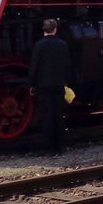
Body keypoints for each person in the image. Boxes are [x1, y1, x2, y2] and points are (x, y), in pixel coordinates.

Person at [27, 18, 72, 155]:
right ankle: (61, 147)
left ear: (44, 30)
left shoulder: (39, 45)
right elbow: (67, 65)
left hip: (43, 85)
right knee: (58, 116)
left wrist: (32, 84)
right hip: (58, 84)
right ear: (55, 29)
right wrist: (67, 82)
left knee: (47, 117)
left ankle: (49, 149)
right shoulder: (62, 44)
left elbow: (34, 66)